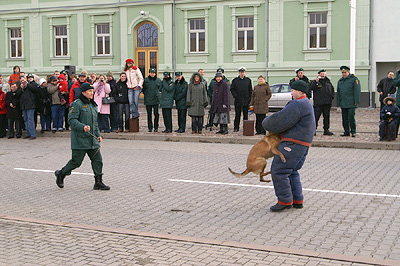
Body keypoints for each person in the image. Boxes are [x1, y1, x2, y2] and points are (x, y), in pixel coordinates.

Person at [262, 80, 315, 212]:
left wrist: (266, 122)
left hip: (293, 143)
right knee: (291, 171)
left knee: (279, 170)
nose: (291, 93)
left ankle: (284, 201)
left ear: (299, 91)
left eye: (293, 90)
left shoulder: (297, 104)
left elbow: (280, 120)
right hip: (303, 143)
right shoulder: (307, 103)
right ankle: (297, 200)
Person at [55, 83, 110, 190]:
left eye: (92, 91)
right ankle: (61, 173)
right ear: (83, 93)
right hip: (80, 139)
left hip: (92, 139)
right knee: (76, 162)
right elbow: (72, 120)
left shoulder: (93, 105)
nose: (92, 93)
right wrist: (82, 127)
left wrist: (98, 135)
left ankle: (98, 182)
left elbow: (95, 124)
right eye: (89, 91)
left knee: (98, 160)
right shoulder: (76, 104)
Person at [337, 66, 361, 137]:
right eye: (342, 72)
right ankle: (346, 131)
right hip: (343, 102)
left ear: (348, 72)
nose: (343, 74)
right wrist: (338, 102)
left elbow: (357, 90)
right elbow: (339, 92)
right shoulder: (340, 81)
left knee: (351, 117)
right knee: (344, 118)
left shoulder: (354, 79)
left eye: (345, 72)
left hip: (351, 102)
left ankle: (353, 131)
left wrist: (356, 100)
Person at [309, 69, 335, 136]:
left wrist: (331, 97)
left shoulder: (328, 82)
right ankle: (313, 130)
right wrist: (315, 82)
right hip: (319, 103)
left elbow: (332, 90)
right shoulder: (316, 81)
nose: (323, 75)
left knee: (326, 117)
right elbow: (311, 88)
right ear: (319, 74)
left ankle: (326, 130)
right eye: (321, 73)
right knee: (316, 117)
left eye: (324, 73)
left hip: (327, 103)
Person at [230, 66, 252, 132]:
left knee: (245, 115)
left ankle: (246, 128)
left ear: (244, 73)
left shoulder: (248, 80)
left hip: (245, 100)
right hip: (238, 100)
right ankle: (236, 127)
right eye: (241, 72)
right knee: (237, 115)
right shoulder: (235, 80)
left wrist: (249, 98)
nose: (242, 74)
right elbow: (232, 89)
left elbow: (250, 90)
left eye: (243, 72)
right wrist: (235, 96)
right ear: (239, 73)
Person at [20, 75, 39, 139]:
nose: (30, 78)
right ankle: (28, 133)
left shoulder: (33, 84)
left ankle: (33, 134)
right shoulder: (22, 86)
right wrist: (21, 88)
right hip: (24, 105)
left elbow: (35, 89)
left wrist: (27, 84)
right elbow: (18, 94)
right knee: (26, 120)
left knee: (30, 119)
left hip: (31, 105)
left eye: (31, 77)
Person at [142, 68, 161, 132]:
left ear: (155, 73)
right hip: (148, 99)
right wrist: (147, 95)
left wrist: (158, 95)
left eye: (153, 73)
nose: (152, 74)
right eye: (151, 73)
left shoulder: (158, 80)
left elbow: (160, 89)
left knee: (156, 114)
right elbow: (143, 89)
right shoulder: (146, 80)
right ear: (149, 73)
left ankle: (156, 127)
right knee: (149, 114)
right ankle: (150, 127)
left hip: (156, 100)